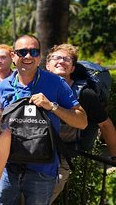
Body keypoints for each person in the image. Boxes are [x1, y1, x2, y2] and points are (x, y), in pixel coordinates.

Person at [0, 35, 87, 205]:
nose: (28, 56)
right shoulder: (3, 86)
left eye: (33, 51)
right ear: (13, 56)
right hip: (8, 168)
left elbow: (82, 121)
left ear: (39, 56)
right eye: (22, 52)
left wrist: (52, 106)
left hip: (42, 171)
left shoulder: (56, 83)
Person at [45, 44, 116, 203]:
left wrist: (114, 156)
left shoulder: (84, 94)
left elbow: (105, 124)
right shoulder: (37, 87)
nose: (61, 61)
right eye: (56, 57)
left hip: (61, 160)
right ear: (47, 65)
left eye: (67, 59)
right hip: (33, 157)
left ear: (72, 68)